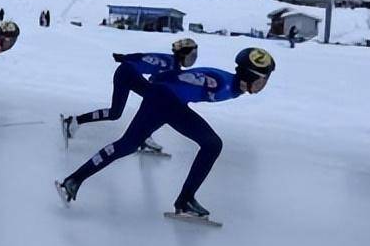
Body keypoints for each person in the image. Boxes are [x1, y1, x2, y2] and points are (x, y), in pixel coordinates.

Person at [56, 47, 276, 219]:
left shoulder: (233, 87)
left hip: (166, 101)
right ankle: (185, 200)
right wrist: (157, 83)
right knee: (212, 144)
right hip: (166, 100)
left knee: (127, 144)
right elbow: (186, 77)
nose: (263, 85)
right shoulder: (220, 82)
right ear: (248, 75)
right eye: (261, 80)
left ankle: (72, 181)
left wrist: (157, 87)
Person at [61, 38, 199, 154]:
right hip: (127, 73)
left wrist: (124, 57)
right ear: (183, 54)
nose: (193, 59)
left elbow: (142, 56)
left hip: (124, 71)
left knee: (115, 113)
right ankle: (144, 137)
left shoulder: (167, 59)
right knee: (154, 101)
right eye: (192, 56)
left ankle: (74, 121)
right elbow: (154, 78)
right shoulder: (172, 66)